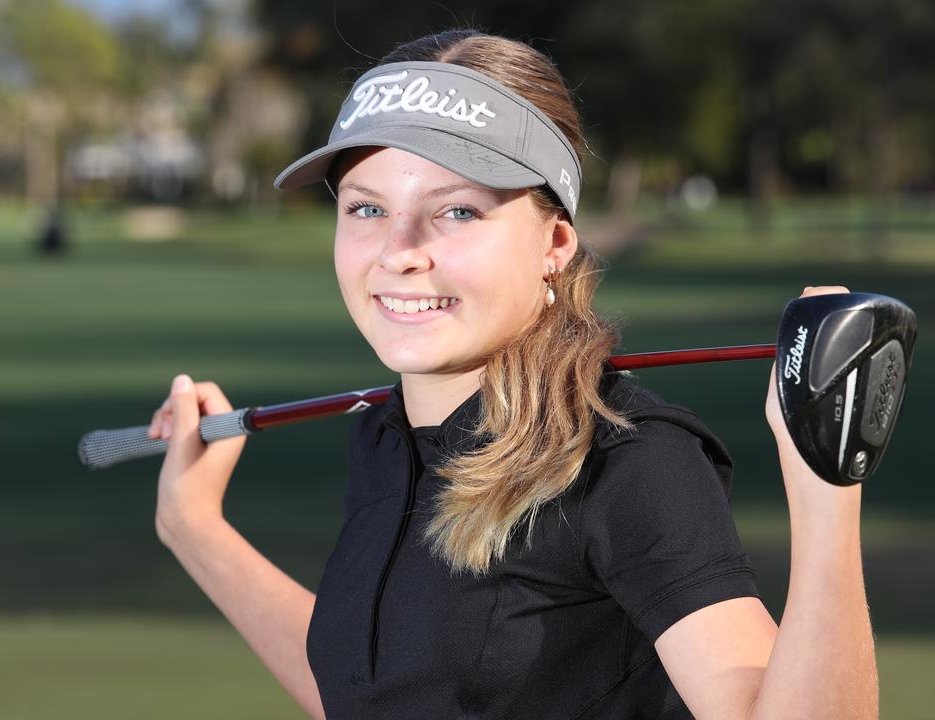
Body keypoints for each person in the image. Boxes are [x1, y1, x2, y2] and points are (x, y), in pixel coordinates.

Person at [145, 28, 877, 720]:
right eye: (366, 208)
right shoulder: (385, 440)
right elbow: (377, 692)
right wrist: (194, 529)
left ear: (555, 242)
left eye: (457, 211)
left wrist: (824, 485)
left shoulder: (627, 459)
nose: (399, 250)